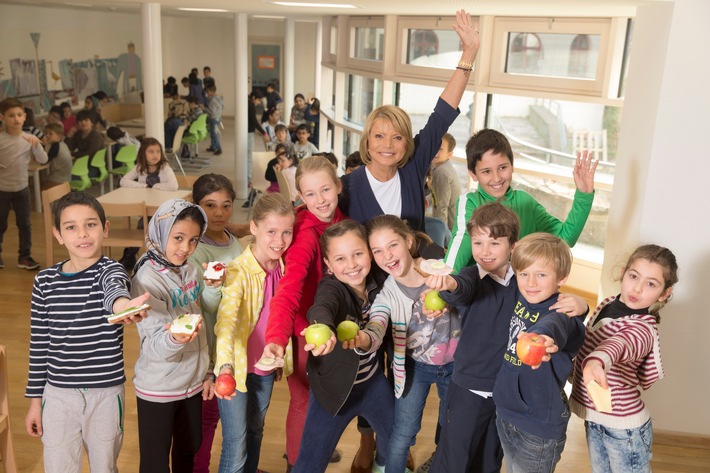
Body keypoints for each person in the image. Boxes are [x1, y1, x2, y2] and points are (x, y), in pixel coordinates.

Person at [425, 203, 587, 473]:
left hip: (504, 397)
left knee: (489, 460)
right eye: (478, 243)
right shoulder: (472, 275)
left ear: (513, 245)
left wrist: (582, 304)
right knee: (454, 460)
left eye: (494, 243)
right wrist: (449, 285)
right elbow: (460, 289)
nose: (485, 251)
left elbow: (555, 311)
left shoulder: (525, 281)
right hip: (469, 387)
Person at [24, 191, 149, 472]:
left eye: (91, 224)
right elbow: (39, 346)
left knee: (104, 467)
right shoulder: (44, 282)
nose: (82, 234)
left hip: (105, 395)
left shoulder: (112, 270)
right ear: (58, 234)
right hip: (56, 395)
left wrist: (123, 307)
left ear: (105, 228)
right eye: (71, 227)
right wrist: (35, 402)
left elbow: (116, 291)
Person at [340, 10, 480, 235]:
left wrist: (469, 53)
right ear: (366, 142)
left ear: (407, 144)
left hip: (414, 269)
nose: (388, 145)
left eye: (397, 137)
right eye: (379, 136)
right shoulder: (346, 187)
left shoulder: (413, 167)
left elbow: (442, 115)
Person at [261, 156, 347, 471]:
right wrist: (279, 336)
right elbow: (289, 290)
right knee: (302, 398)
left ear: (339, 186)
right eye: (310, 194)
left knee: (322, 398)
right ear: (300, 196)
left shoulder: (342, 221)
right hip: (303, 327)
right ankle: (297, 463)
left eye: (325, 189)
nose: (319, 200)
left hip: (330, 325)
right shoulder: (305, 234)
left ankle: (313, 447)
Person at [357, 215, 459, 473]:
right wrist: (364, 339)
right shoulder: (387, 294)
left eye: (392, 245)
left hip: (458, 367)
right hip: (415, 369)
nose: (387, 256)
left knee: (452, 429)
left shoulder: (440, 269)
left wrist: (448, 294)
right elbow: (377, 324)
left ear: (409, 242)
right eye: (377, 251)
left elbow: (466, 292)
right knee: (401, 435)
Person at [291, 220, 394, 473]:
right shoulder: (332, 288)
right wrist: (323, 327)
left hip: (373, 384)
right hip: (333, 393)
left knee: (397, 442)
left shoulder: (380, 281)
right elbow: (322, 306)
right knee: (310, 462)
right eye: (340, 259)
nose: (351, 265)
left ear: (369, 253)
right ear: (327, 264)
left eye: (358, 254)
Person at [570, 245, 678, 473]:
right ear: (623, 272)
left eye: (651, 284)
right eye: (633, 276)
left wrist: (597, 360)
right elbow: (588, 339)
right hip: (596, 417)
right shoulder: (608, 303)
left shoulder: (644, 329)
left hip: (624, 431)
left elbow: (620, 344)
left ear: (664, 293)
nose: (637, 288)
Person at [214, 193, 295, 473]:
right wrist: (224, 366)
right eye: (271, 231)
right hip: (233, 369)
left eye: (286, 232)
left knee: (256, 430)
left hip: (264, 367)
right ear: (253, 228)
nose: (280, 240)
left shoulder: (285, 269)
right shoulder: (238, 270)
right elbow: (225, 323)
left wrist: (282, 359)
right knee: (236, 444)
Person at [492, 233, 586, 473]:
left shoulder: (563, 312)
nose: (531, 282)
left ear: (562, 277)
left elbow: (554, 325)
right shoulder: (519, 296)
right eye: (524, 274)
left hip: (539, 427)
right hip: (506, 413)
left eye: (541, 275)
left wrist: (542, 337)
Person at [130, 198, 212, 473]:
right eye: (178, 238)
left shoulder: (189, 268)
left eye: (193, 240)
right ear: (160, 233)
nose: (185, 248)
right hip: (159, 388)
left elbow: (202, 315)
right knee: (155, 464)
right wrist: (175, 339)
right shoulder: (146, 278)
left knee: (188, 451)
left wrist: (208, 370)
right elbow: (154, 345)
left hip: (192, 382)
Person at [445, 128, 598, 273]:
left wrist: (583, 195)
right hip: (478, 289)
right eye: (486, 171)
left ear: (512, 166)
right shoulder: (469, 202)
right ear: (473, 174)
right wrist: (445, 278)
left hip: (519, 290)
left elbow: (565, 239)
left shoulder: (525, 202)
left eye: (502, 168)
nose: (497, 178)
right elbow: (461, 241)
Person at [188, 174, 244, 473]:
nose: (219, 213)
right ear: (196, 207)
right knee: (207, 420)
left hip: (236, 349)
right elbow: (205, 307)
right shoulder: (196, 251)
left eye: (225, 205)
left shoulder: (234, 242)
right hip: (210, 353)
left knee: (236, 421)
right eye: (210, 205)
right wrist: (212, 284)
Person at [0, 97, 48, 270]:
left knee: (25, 224)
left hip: (22, 189)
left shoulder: (30, 139)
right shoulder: (1, 139)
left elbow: (43, 160)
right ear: (2, 117)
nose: (16, 119)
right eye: (11, 115)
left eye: (19, 114)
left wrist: (36, 146)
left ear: (25, 117)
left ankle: (24, 257)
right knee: (1, 224)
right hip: (2, 190)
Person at [118, 138, 178, 271]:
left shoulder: (164, 167)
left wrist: (155, 186)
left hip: (164, 209)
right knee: (144, 224)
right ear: (143, 154)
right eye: (151, 152)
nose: (155, 155)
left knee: (143, 225)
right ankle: (132, 255)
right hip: (148, 207)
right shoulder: (140, 167)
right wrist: (144, 185)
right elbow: (124, 181)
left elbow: (173, 185)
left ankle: (130, 255)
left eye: (157, 151)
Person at [430, 133, 461, 230]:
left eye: (440, 149)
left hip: (449, 227)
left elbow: (442, 207)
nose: (435, 151)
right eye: (434, 146)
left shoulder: (442, 172)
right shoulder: (440, 166)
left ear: (449, 155)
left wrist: (442, 234)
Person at [247, 89, 269, 190]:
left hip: (248, 132)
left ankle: (248, 178)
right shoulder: (251, 107)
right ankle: (249, 179)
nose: (258, 102)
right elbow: (255, 122)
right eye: (258, 100)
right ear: (253, 98)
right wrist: (264, 133)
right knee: (249, 157)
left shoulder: (248, 104)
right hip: (248, 133)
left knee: (247, 156)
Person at [42, 122, 72, 190]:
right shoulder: (63, 144)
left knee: (42, 188)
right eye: (46, 133)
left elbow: (44, 161)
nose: (47, 135)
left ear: (59, 136)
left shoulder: (55, 147)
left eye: (50, 134)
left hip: (58, 179)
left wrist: (45, 145)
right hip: (67, 178)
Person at [205, 84, 224, 155]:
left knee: (214, 134)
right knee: (213, 133)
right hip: (218, 117)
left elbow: (211, 111)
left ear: (211, 91)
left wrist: (203, 108)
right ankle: (213, 146)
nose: (207, 93)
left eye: (207, 92)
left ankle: (219, 148)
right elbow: (222, 107)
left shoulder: (212, 100)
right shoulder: (220, 98)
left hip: (213, 118)